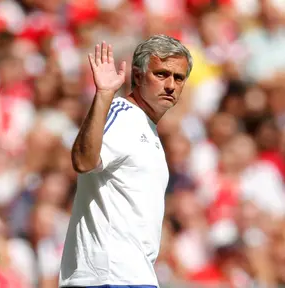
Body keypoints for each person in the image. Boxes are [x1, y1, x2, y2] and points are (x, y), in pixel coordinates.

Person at [59, 34, 193, 287]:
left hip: (133, 275)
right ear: (138, 76)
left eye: (178, 77)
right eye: (161, 74)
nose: (171, 85)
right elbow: (83, 161)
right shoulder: (122, 115)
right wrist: (104, 95)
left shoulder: (147, 128)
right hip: (107, 276)